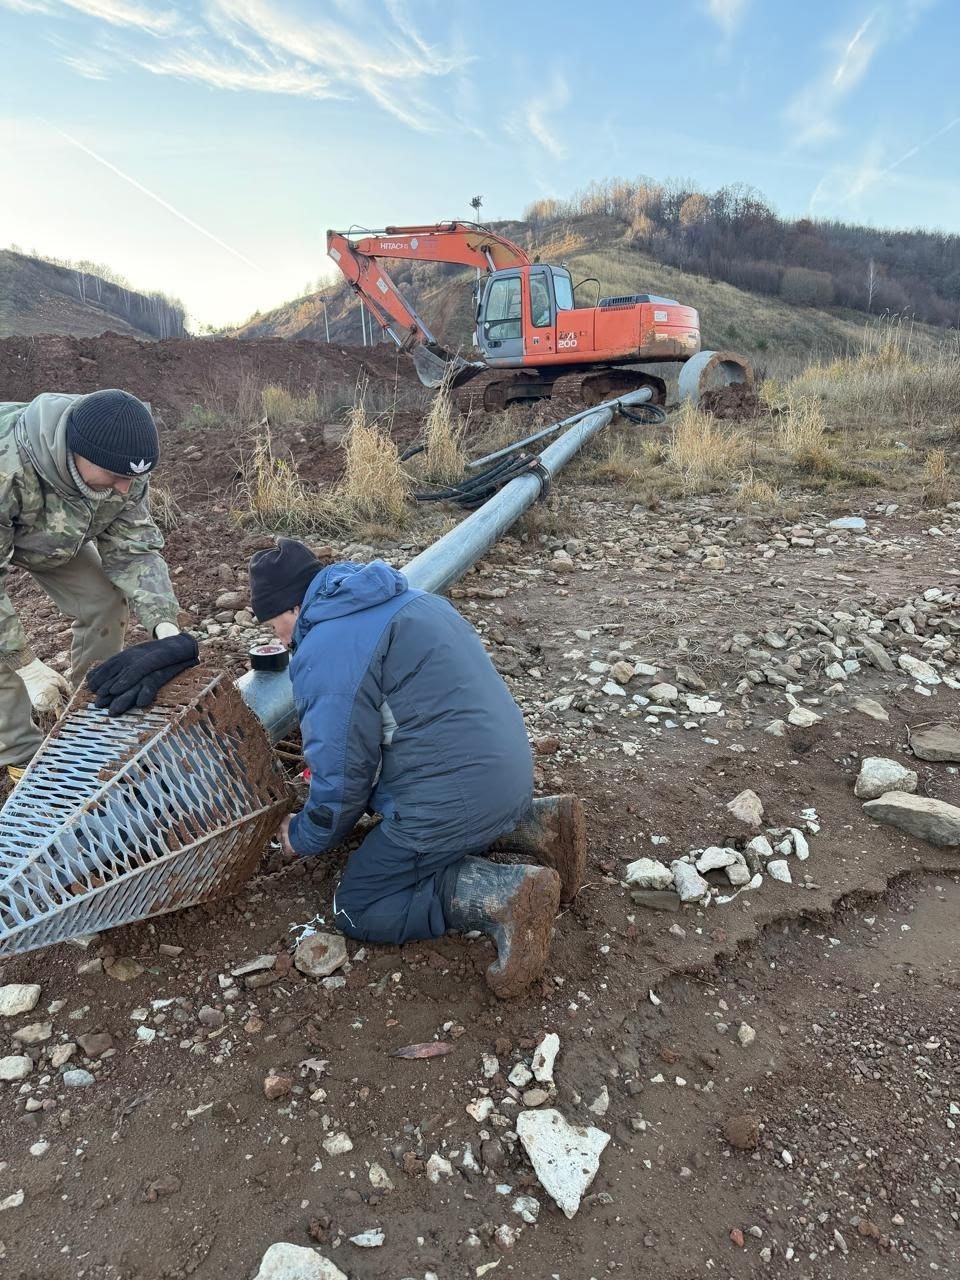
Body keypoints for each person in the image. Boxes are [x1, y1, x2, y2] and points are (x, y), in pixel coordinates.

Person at [248, 538, 585, 998]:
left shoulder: (327, 646)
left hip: (456, 797)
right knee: (431, 793)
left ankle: (505, 896)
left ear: (294, 605)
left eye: (276, 626)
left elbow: (344, 775)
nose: (282, 642)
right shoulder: (411, 598)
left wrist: (305, 835)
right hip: (507, 773)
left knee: (358, 906)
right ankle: (539, 822)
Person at [0, 388, 199, 781]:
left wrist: (166, 629)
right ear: (77, 453)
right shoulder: (8, 468)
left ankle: (87, 710)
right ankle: (19, 750)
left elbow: (135, 550)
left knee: (105, 600)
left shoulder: (123, 465)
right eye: (116, 477)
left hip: (49, 535)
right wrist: (24, 663)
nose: (126, 488)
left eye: (133, 477)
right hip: (19, 511)